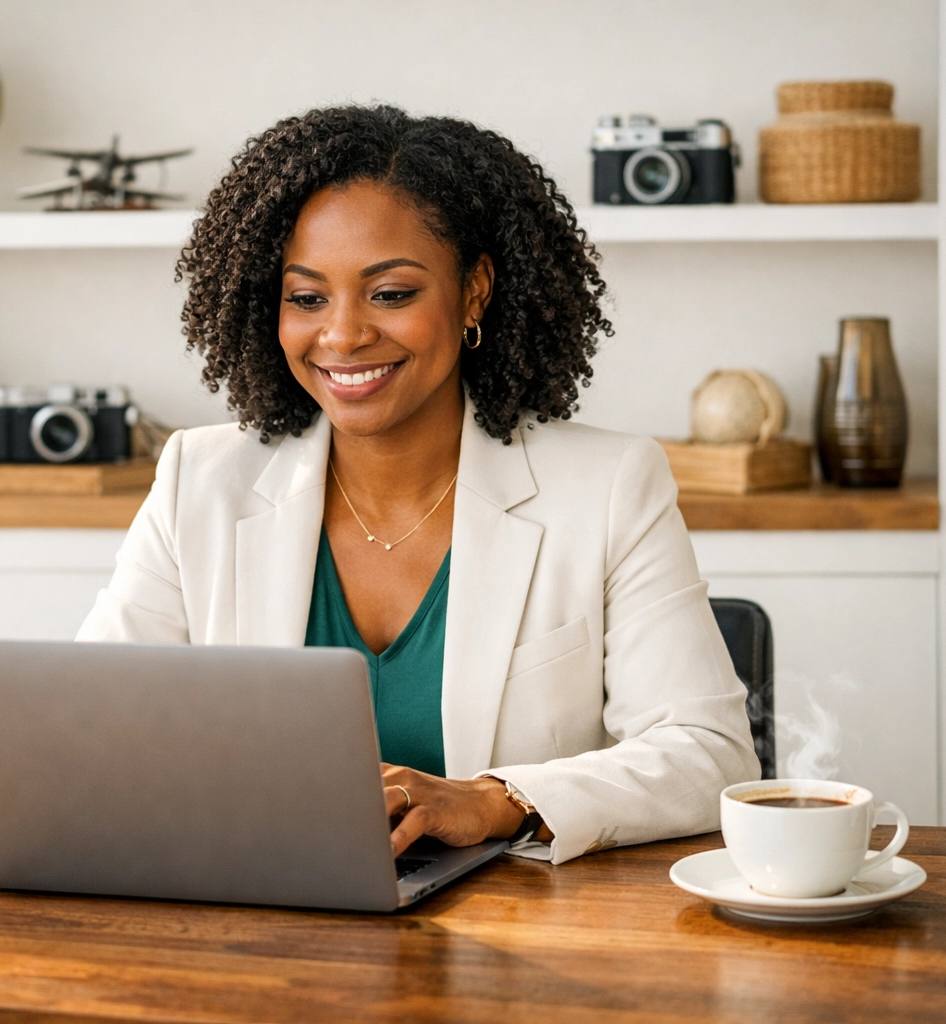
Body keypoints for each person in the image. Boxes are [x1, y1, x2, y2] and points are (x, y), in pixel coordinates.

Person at [77, 105, 759, 864]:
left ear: (473, 292)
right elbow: (96, 727)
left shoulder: (608, 486)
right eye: (306, 298)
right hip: (263, 919)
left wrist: (497, 800)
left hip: (516, 946)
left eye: (391, 294)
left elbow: (710, 755)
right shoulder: (198, 480)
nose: (342, 336)